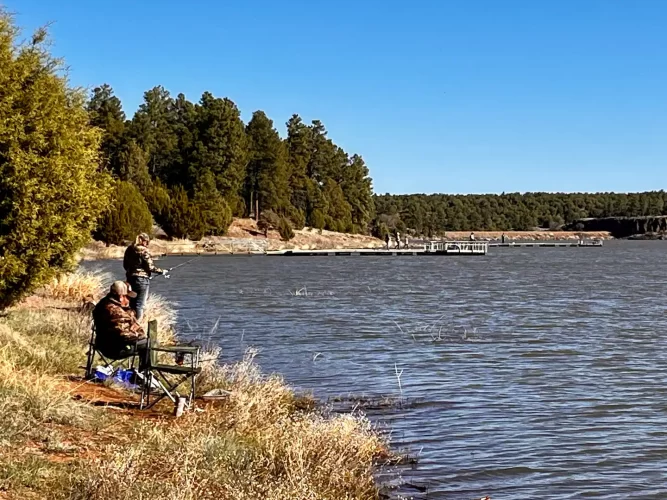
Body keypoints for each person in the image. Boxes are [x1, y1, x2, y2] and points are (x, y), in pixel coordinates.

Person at [92, 281, 147, 363]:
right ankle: (145, 373)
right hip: (114, 348)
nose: (129, 299)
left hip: (103, 344)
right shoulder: (115, 311)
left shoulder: (103, 303)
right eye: (128, 297)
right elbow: (124, 335)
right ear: (121, 296)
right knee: (149, 344)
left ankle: (144, 372)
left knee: (146, 342)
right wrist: (141, 336)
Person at [124, 233, 164, 320]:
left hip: (130, 279)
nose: (147, 244)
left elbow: (125, 265)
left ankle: (131, 322)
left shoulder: (129, 249)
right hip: (142, 280)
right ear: (143, 241)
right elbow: (150, 267)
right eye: (147, 242)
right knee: (140, 305)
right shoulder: (143, 250)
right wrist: (161, 271)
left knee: (132, 304)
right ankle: (138, 325)